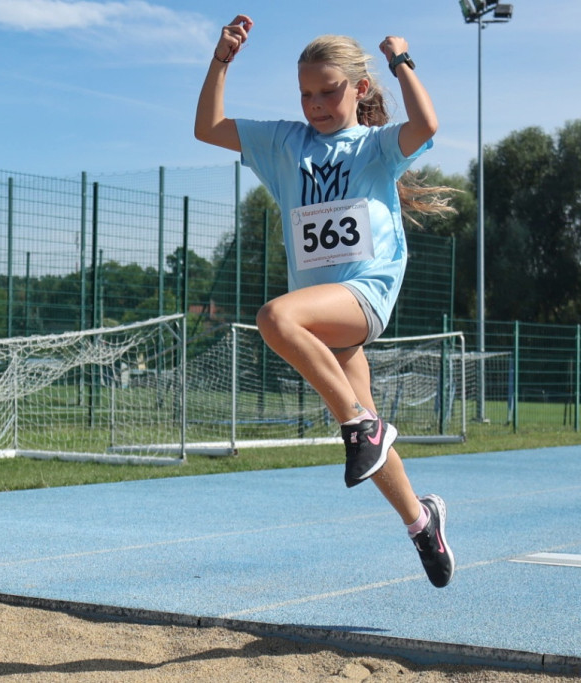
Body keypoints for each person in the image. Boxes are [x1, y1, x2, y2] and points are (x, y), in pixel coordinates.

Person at [194, 15, 456, 588]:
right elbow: (208, 126)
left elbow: (428, 123)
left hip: (366, 292)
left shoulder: (376, 147)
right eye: (306, 94)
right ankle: (421, 523)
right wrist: (222, 60)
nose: (315, 104)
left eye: (328, 91)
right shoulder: (285, 143)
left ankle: (362, 426)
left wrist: (401, 60)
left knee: (273, 316)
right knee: (365, 433)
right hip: (322, 312)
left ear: (360, 89)